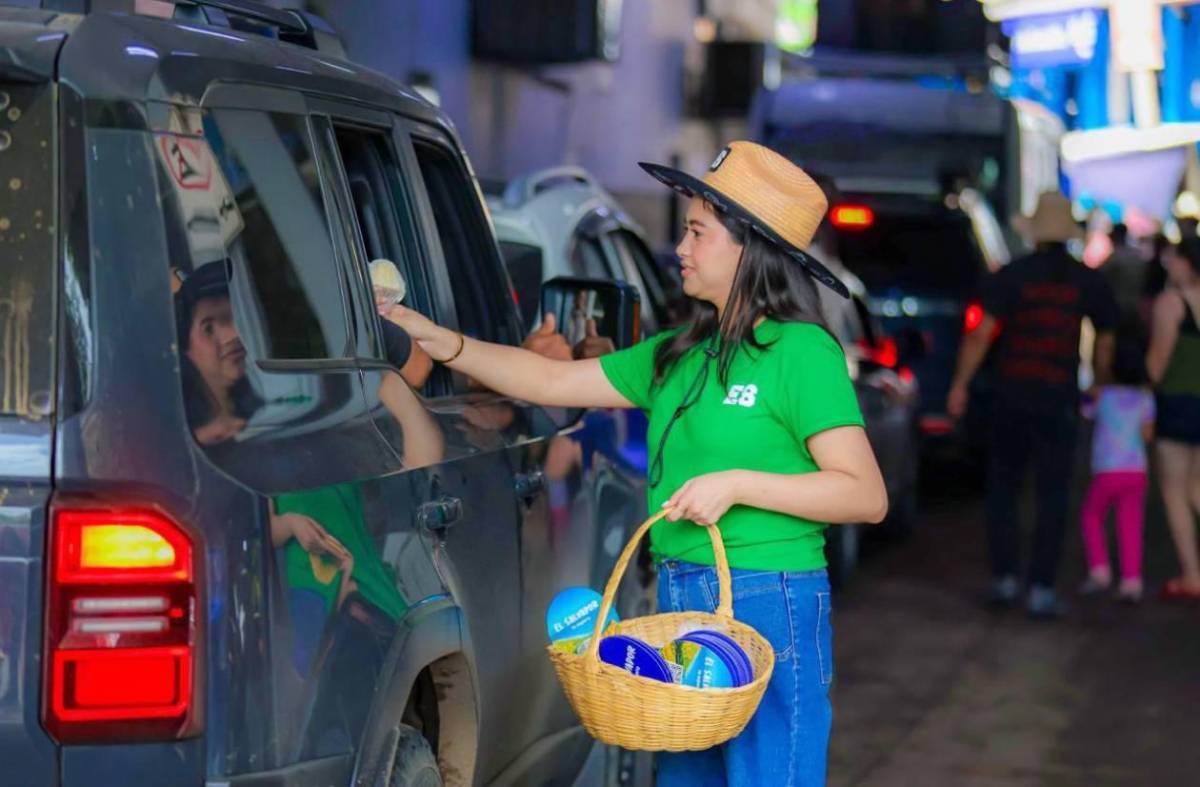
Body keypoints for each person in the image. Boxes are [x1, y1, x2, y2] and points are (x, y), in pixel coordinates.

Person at [387, 141, 887, 786]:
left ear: (749, 248)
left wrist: (737, 484)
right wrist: (441, 341)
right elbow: (548, 380)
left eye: (698, 233)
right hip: (683, 592)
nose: (679, 247)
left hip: (770, 596)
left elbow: (864, 494)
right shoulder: (683, 353)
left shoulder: (801, 351)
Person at [947, 192, 1118, 617]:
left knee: (1003, 488)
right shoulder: (1086, 279)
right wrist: (1098, 379)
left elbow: (981, 333)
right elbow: (1108, 332)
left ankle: (1005, 579)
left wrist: (960, 384)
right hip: (1059, 397)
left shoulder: (1012, 275)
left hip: (1011, 394)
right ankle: (1041, 587)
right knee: (1054, 494)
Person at [1078, 332, 1155, 603]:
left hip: (1107, 470)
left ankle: (1100, 570)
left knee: (1091, 516)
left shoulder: (1103, 396)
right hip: (1136, 471)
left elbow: (1085, 411)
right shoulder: (1146, 399)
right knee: (1130, 524)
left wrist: (1092, 388)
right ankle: (1131, 581)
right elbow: (1147, 436)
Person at [1145, 238, 1200, 600]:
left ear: (1186, 263)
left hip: (1180, 403)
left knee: (1175, 489)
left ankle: (1193, 576)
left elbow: (1157, 363)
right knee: (1198, 486)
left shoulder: (1171, 303)